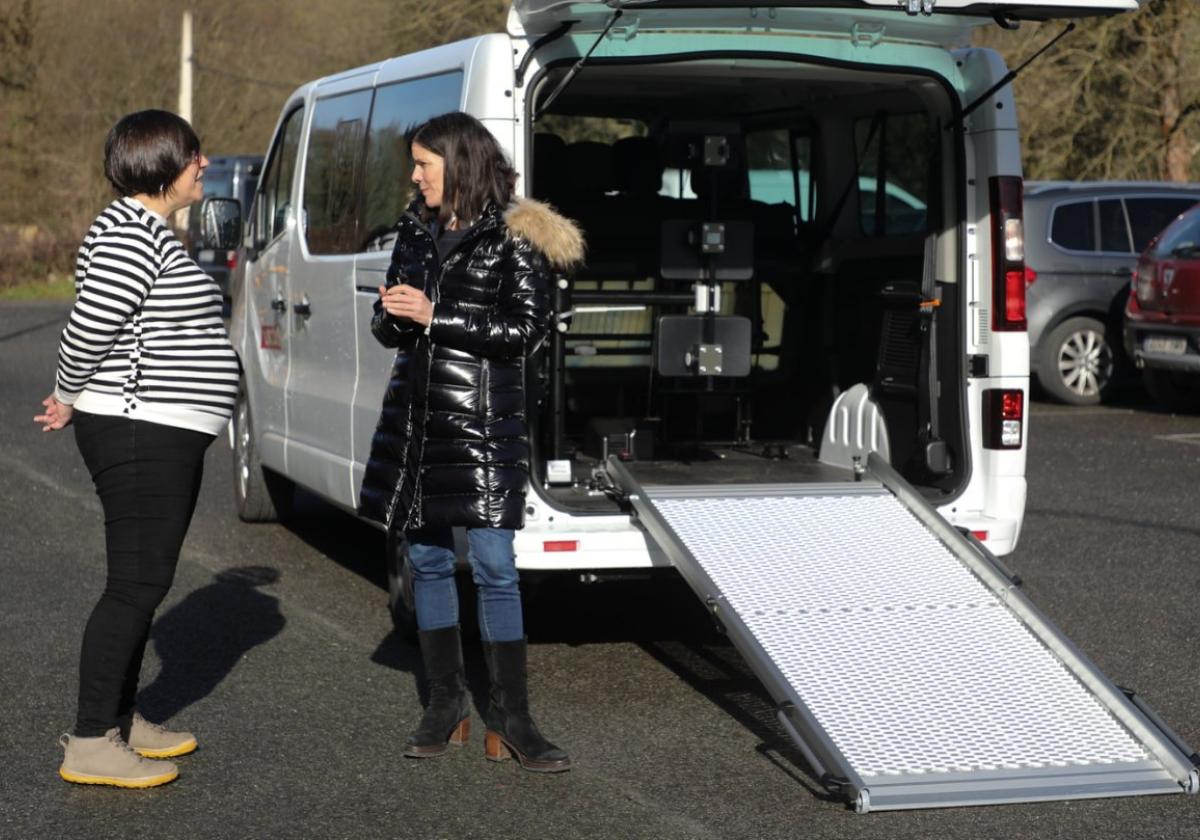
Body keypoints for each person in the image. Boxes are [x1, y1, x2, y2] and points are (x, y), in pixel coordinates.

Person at [359, 112, 583, 772]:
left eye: (424, 163)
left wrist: (434, 315)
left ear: (458, 163)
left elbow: (525, 333)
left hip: (485, 428)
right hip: (419, 422)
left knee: (492, 565)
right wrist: (393, 317)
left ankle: (514, 719)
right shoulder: (416, 226)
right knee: (425, 560)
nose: (415, 175)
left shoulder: (517, 235)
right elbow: (390, 326)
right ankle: (445, 704)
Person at [34, 109, 241, 788]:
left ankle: (119, 719)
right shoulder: (128, 232)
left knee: (143, 580)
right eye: (191, 154)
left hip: (158, 426)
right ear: (157, 162)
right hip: (137, 426)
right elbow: (90, 327)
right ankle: (92, 739)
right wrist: (67, 392)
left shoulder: (148, 232)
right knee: (135, 585)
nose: (201, 164)